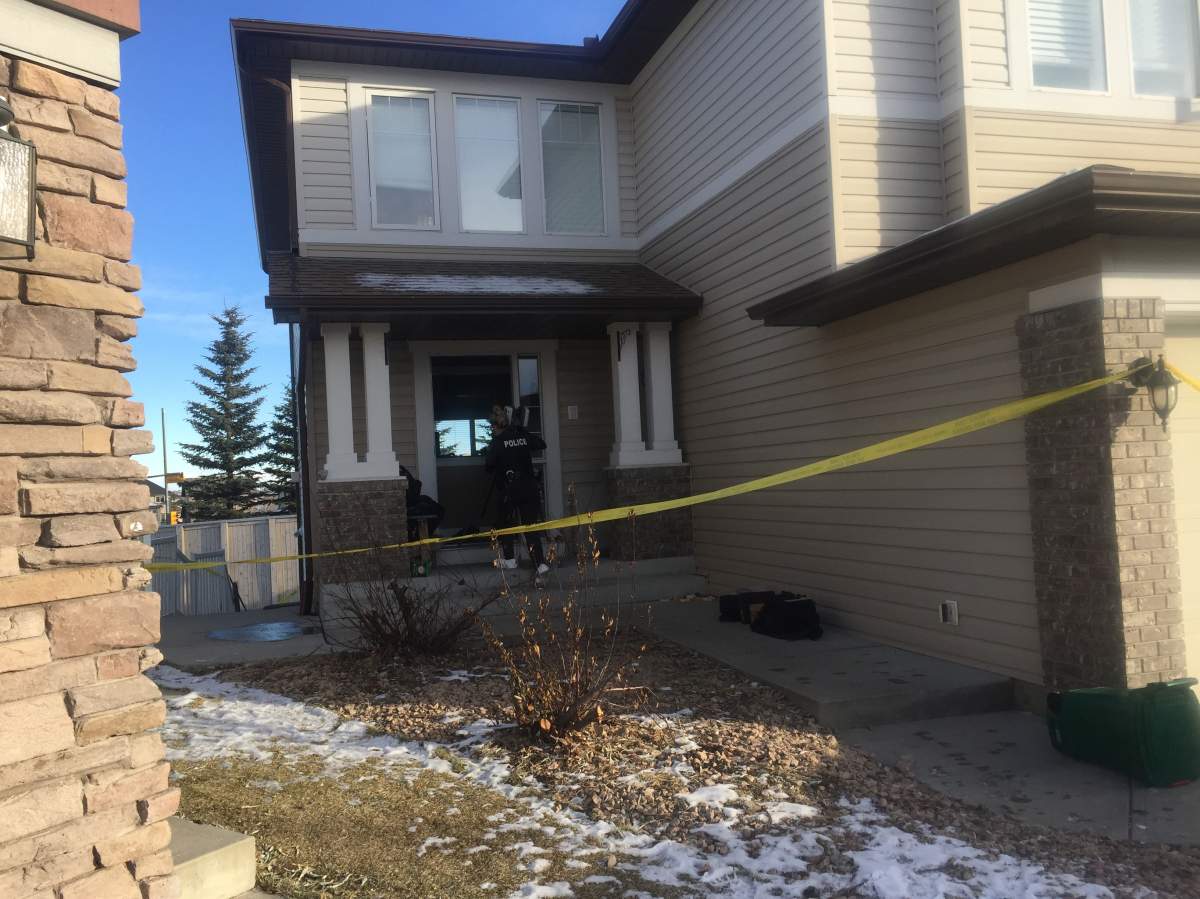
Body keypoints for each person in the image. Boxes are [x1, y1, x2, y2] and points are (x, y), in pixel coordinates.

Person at [484, 403, 550, 583]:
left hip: (510, 489)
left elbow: (488, 466)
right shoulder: (521, 435)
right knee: (530, 528)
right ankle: (540, 565)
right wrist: (522, 432)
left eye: (492, 426)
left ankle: (509, 559)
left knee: (505, 523)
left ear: (497, 425)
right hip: (530, 487)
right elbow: (541, 444)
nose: (491, 430)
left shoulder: (498, 442)